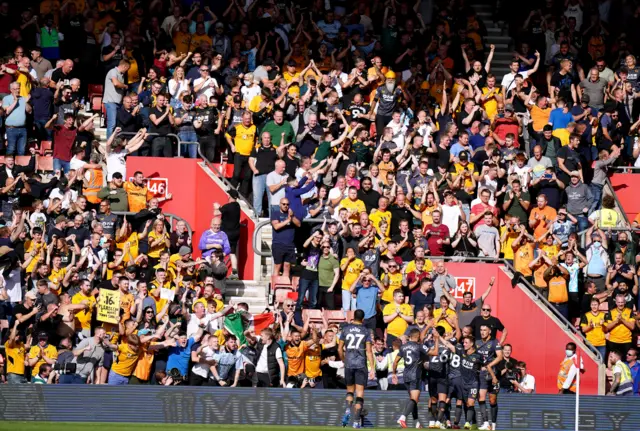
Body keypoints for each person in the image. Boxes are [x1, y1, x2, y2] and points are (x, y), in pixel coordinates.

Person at [338, 309, 375, 429]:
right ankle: (355, 422)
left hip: (349, 363)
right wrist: (372, 367)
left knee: (349, 392)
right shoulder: (366, 331)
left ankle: (348, 410)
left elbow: (339, 349)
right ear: (363, 319)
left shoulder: (345, 329)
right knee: (359, 394)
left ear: (353, 317)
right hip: (361, 364)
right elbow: (369, 351)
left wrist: (344, 360)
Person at [393, 328, 427, 429]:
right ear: (418, 336)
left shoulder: (403, 347)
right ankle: (402, 418)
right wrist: (437, 339)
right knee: (414, 399)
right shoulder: (418, 346)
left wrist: (394, 373)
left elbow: (395, 362)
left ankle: (416, 423)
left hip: (406, 375)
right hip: (415, 375)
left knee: (413, 400)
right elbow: (434, 352)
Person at [475, 324, 503, 430]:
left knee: (492, 400)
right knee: (481, 397)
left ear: (489, 332)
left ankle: (494, 424)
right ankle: (486, 423)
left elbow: (500, 357)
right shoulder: (477, 342)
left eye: (485, 330)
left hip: (493, 374)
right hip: (481, 374)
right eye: (481, 330)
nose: (482, 332)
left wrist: (490, 365)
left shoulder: (495, 342)